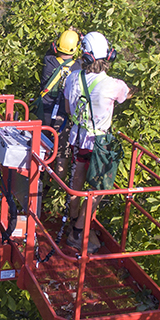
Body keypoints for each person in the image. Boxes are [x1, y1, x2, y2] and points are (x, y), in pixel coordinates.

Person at [63, 31, 133, 251]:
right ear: (108, 56)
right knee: (99, 188)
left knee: (77, 181)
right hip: (100, 142)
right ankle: (80, 230)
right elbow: (126, 96)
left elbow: (67, 109)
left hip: (78, 138)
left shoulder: (72, 78)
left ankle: (74, 220)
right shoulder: (114, 84)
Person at [39, 29, 81, 181]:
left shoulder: (48, 61)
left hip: (44, 112)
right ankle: (55, 186)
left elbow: (51, 50)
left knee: (40, 148)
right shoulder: (78, 68)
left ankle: (38, 181)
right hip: (63, 117)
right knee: (61, 153)